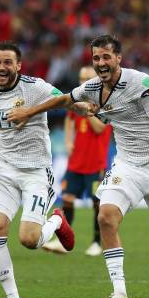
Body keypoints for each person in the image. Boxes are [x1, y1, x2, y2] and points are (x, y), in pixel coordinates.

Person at [7, 34, 149, 298]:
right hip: (127, 165)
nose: (101, 63)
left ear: (118, 58)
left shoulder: (136, 79)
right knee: (106, 216)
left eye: (106, 57)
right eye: (96, 58)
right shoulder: (92, 87)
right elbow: (62, 99)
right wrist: (29, 112)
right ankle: (119, 292)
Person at [0, 42, 91, 298]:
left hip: (36, 172)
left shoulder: (34, 87)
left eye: (7, 63)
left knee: (29, 240)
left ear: (18, 65)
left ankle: (56, 221)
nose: (1, 68)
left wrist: (81, 107)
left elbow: (64, 100)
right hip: (3, 173)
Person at [42, 66, 112, 256]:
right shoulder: (77, 102)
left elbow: (100, 129)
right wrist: (68, 139)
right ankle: (62, 241)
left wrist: (87, 110)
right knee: (67, 199)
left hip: (95, 164)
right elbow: (69, 118)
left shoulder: (105, 103)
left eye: (88, 79)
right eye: (81, 79)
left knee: (97, 204)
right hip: (76, 162)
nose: (84, 83)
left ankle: (97, 242)